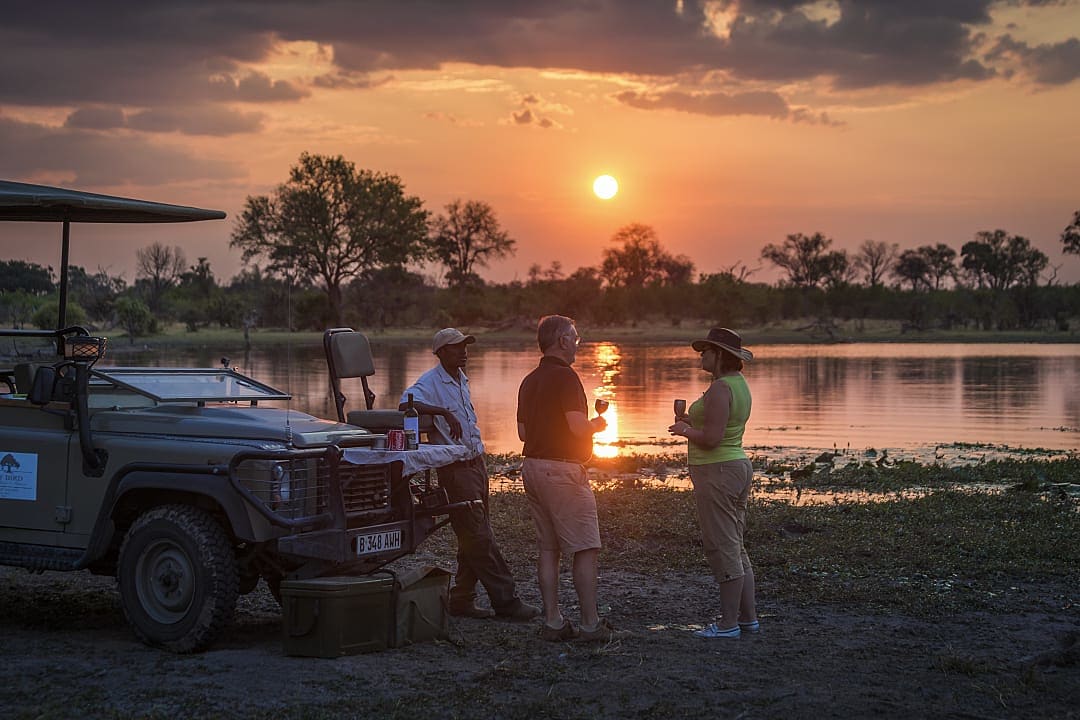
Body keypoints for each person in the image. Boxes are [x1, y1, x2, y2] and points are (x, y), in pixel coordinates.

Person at [401, 328, 539, 622]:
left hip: (476, 464)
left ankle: (461, 599)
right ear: (441, 353)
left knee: (472, 535)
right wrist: (443, 412)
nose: (464, 351)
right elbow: (405, 403)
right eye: (456, 347)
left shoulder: (460, 378)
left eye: (465, 346)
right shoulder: (430, 381)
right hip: (455, 470)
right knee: (479, 537)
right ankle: (507, 602)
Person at [516, 314, 615, 642]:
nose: (577, 343)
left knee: (548, 548)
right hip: (561, 472)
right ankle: (590, 625)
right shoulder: (567, 378)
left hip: (532, 468)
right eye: (575, 337)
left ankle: (554, 621)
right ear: (561, 341)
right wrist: (597, 426)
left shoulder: (529, 380)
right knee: (585, 547)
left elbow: (522, 432)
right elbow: (576, 427)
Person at [668, 327, 759, 639]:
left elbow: (711, 439)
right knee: (735, 545)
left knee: (722, 547)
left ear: (720, 355)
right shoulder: (737, 384)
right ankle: (748, 619)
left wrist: (684, 431)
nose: (701, 356)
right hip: (733, 466)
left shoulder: (721, 388)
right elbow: (722, 426)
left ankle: (727, 624)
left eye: (705, 351)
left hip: (719, 470)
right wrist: (694, 424)